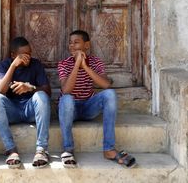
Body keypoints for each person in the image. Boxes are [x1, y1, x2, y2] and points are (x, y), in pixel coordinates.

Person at [58, 30, 136, 168]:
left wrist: (85, 66)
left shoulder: (95, 62)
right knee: (66, 98)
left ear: (87, 45)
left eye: (76, 42)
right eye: (70, 43)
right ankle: (68, 149)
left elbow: (105, 84)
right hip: (70, 109)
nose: (71, 45)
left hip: (89, 107)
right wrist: (76, 65)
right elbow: (66, 90)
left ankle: (109, 149)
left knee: (110, 93)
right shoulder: (64, 63)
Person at [0, 36, 51, 169]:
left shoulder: (36, 64)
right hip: (12, 111)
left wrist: (30, 87)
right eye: (24, 55)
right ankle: (11, 150)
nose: (28, 57)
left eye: (29, 53)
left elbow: (47, 92)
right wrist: (13, 66)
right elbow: (1, 89)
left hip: (30, 110)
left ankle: (41, 150)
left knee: (41, 95)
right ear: (13, 55)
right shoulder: (5, 65)